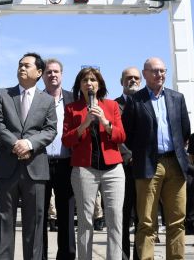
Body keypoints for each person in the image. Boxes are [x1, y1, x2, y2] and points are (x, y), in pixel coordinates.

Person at [121, 57, 191, 260]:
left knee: (177, 220)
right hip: (148, 165)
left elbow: (184, 130)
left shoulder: (177, 98)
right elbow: (125, 134)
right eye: (154, 71)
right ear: (145, 74)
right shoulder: (135, 100)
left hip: (175, 164)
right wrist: (132, 156)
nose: (159, 74)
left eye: (162, 70)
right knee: (146, 222)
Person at [0, 52, 58, 260]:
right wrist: (15, 144)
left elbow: (50, 129)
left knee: (35, 224)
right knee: (3, 221)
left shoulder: (47, 100)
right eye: (20, 65)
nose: (21, 68)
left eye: (27, 65)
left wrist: (29, 143)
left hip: (35, 168)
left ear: (39, 72)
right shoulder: (3, 94)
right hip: (7, 167)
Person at [62, 66, 127, 260]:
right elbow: (67, 140)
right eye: (85, 80)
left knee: (115, 218)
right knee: (85, 221)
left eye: (93, 80)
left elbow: (121, 136)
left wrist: (105, 122)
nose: (89, 83)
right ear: (79, 85)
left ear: (99, 84)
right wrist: (85, 123)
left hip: (113, 169)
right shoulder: (72, 108)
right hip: (84, 169)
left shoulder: (111, 106)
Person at [42, 58, 77, 260]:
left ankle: (66, 256)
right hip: (41, 164)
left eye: (56, 71)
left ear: (62, 75)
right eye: (48, 72)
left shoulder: (73, 100)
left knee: (66, 215)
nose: (52, 75)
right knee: (40, 216)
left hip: (67, 164)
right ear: (42, 76)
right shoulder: (36, 98)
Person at [116, 66, 141, 260]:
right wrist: (128, 155)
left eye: (136, 78)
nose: (132, 80)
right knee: (122, 217)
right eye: (128, 78)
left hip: (145, 168)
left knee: (143, 218)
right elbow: (114, 136)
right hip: (121, 169)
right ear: (121, 81)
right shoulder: (113, 106)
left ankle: (141, 256)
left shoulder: (148, 103)